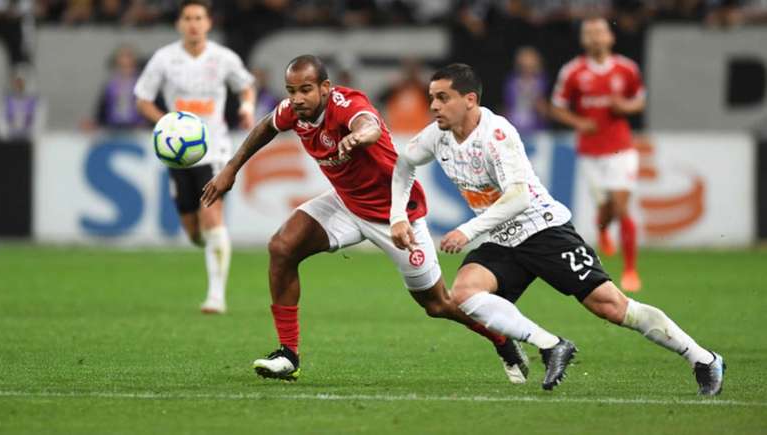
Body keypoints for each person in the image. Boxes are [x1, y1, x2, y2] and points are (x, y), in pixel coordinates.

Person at [391, 63, 725, 395]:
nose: (434, 106)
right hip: (504, 239)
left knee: (610, 306)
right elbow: (404, 164)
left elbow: (519, 197)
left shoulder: (497, 134)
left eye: (443, 97)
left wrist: (468, 230)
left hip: (543, 230)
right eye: (432, 97)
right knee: (464, 294)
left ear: (470, 100)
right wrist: (397, 217)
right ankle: (551, 346)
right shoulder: (437, 136)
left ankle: (703, 359)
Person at [201, 54, 531, 384]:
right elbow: (265, 127)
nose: (297, 99)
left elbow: (369, 125)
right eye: (291, 90)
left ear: (325, 88)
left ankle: (502, 339)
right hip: (346, 204)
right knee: (282, 247)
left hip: (396, 216)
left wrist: (357, 137)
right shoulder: (292, 111)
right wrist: (230, 170)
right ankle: (288, 354)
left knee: (437, 303)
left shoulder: (347, 104)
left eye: (305, 90)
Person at [134, 0, 256, 314]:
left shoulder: (223, 58)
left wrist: (246, 107)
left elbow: (246, 86)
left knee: (212, 217)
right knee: (193, 231)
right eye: (187, 18)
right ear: (179, 23)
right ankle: (208, 244)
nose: (193, 24)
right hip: (179, 156)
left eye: (198, 18)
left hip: (215, 150)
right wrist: (167, 124)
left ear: (208, 23)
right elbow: (142, 99)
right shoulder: (165, 58)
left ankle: (216, 296)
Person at [550, 17, 644, 292]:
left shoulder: (626, 69)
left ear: (610, 37)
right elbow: (557, 107)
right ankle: (603, 230)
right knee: (606, 207)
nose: (594, 37)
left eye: (599, 32)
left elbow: (639, 100)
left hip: (621, 148)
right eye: (589, 33)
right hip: (590, 151)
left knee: (621, 206)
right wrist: (579, 123)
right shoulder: (573, 72)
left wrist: (625, 106)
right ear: (583, 40)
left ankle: (630, 270)